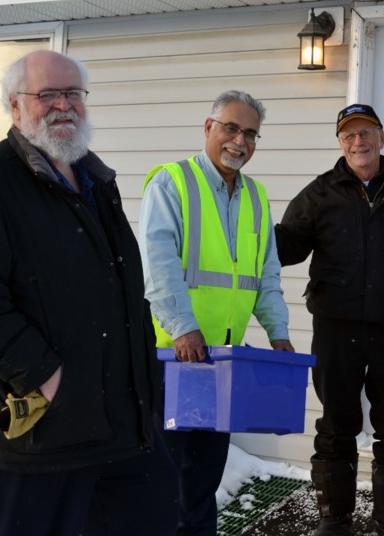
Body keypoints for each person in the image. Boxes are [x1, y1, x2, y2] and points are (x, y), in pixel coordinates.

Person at [0, 50, 179, 536]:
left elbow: (120, 288)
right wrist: (43, 374)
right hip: (42, 437)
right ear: (15, 106)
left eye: (72, 93)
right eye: (47, 95)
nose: (63, 105)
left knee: (154, 515)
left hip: (121, 422)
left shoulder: (96, 180)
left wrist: (144, 379)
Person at [138, 90, 295, 536]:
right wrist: (184, 328)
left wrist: (278, 331)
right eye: (231, 128)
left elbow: (265, 275)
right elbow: (159, 264)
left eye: (250, 133)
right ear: (209, 128)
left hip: (223, 361)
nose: (239, 141)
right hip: (174, 358)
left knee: (204, 476)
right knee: (163, 478)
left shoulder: (257, 198)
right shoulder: (172, 182)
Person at [275, 104, 384, 536]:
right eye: (348, 136)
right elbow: (285, 247)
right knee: (336, 427)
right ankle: (334, 519)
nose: (358, 142)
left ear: (380, 136)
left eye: (365, 133)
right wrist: (243, 234)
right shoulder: (321, 193)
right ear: (340, 143)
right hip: (336, 330)